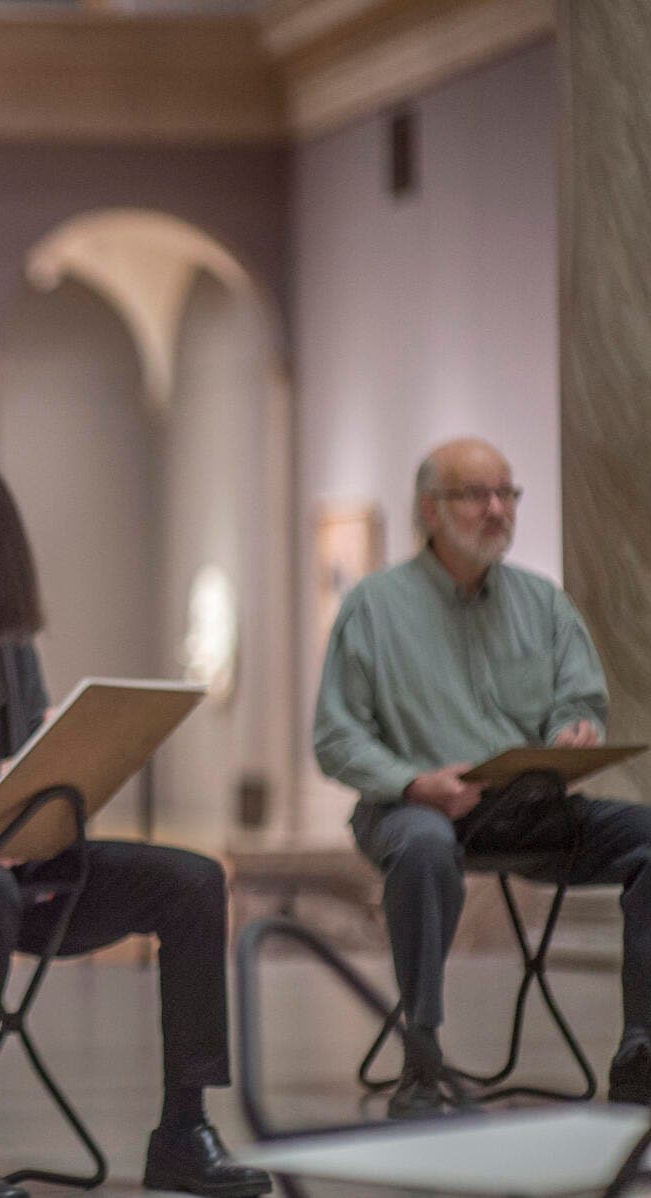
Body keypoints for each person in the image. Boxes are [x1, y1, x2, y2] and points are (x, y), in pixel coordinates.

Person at [0, 451, 272, 1198]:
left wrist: (81, 763)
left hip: (24, 867)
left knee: (194, 881)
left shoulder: (10, 644)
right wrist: (0, 785)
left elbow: (44, 776)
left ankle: (184, 1131)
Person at [314, 437, 651, 1119]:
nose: (497, 509)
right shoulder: (373, 608)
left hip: (525, 803)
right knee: (424, 846)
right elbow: (335, 737)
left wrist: (574, 730)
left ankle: (641, 1048)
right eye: (476, 494)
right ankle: (422, 1057)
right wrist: (414, 782)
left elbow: (579, 699)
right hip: (412, 806)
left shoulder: (544, 604)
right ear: (428, 511)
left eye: (507, 493)